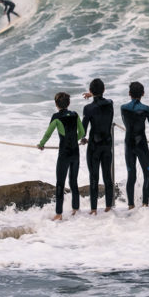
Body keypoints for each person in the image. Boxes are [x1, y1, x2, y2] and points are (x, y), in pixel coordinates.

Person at [37, 92, 85, 220]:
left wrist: (41, 144)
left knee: (60, 183)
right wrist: (75, 139)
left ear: (56, 104)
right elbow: (82, 132)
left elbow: (48, 134)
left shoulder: (56, 117)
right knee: (73, 181)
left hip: (64, 154)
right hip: (75, 152)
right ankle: (76, 209)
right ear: (68, 103)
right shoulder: (75, 115)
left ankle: (59, 213)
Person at [121, 81, 149, 208]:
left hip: (129, 143)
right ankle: (145, 204)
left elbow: (125, 123)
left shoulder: (123, 108)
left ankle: (131, 205)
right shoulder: (146, 109)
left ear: (129, 93)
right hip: (141, 144)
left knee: (131, 175)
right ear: (143, 94)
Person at [80, 78, 115, 214]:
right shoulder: (110, 104)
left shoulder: (88, 108)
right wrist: (94, 94)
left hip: (94, 146)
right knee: (107, 176)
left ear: (90, 91)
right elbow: (104, 100)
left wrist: (83, 138)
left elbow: (83, 129)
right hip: (107, 144)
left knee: (94, 177)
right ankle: (108, 207)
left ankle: (93, 209)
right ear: (104, 90)